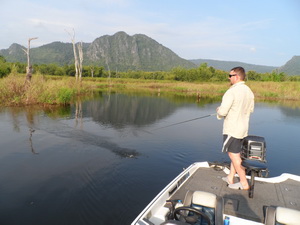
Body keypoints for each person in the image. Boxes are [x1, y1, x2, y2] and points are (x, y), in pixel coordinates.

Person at [216, 66, 254, 190]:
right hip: (243, 129)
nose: (229, 78)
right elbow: (251, 110)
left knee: (233, 155)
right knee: (236, 153)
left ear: (236, 77)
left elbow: (223, 111)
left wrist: (218, 111)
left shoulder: (231, 91)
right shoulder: (249, 91)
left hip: (232, 129)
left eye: (230, 75)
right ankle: (230, 177)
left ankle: (244, 183)